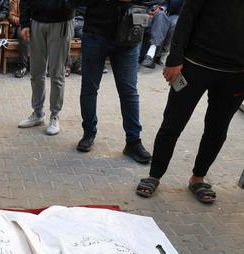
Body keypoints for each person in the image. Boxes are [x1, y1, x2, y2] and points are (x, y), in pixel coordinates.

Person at [136, 0, 244, 204]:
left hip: (235, 75)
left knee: (217, 130)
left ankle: (198, 178)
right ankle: (154, 176)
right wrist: (174, 59)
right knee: (172, 124)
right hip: (193, 66)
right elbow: (187, 18)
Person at [75, 0, 152, 165]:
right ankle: (88, 132)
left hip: (128, 34)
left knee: (129, 91)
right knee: (89, 88)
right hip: (95, 33)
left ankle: (133, 142)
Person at [17, 0, 75, 135]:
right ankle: (38, 114)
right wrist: (25, 23)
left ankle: (55, 116)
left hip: (61, 22)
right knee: (36, 73)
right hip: (36, 21)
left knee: (57, 74)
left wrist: (65, 7)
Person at [141, 0, 183, 68]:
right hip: (142, 10)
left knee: (162, 16)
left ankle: (152, 54)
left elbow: (168, 4)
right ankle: (151, 55)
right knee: (160, 16)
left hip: (164, 13)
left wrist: (161, 8)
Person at [9, 0, 29, 78]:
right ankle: (23, 67)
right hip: (22, 25)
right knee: (23, 34)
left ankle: (47, 67)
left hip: (37, 25)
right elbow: (11, 16)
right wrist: (24, 21)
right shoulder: (16, 1)